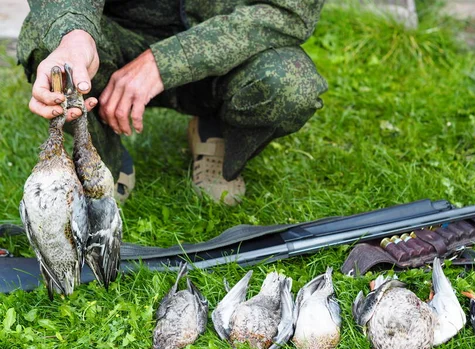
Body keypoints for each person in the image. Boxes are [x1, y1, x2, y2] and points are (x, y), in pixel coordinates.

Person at [18, 0, 328, 205]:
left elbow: (286, 11)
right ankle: (101, 156)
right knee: (49, 42)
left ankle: (216, 130)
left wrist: (165, 63)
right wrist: (75, 34)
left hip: (230, 43)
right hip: (116, 35)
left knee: (289, 83)